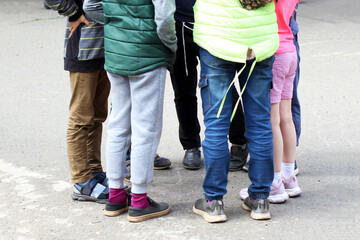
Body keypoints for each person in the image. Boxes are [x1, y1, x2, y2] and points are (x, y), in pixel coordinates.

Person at [84, 0, 177, 222]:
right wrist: (171, 45)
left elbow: (90, 6)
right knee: (146, 128)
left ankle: (115, 195)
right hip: (148, 52)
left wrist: (118, 25)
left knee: (118, 125)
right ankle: (139, 200)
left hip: (117, 51)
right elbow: (164, 17)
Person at [191, 0, 279, 222]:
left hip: (218, 36)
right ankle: (260, 200)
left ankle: (213, 202)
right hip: (260, 39)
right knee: (260, 124)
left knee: (216, 126)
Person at [171, 0, 249, 171]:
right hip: (179, 23)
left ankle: (239, 141)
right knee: (183, 89)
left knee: (223, 87)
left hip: (212, 24)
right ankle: (191, 145)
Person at [45, 0, 110, 203]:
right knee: (80, 119)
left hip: (107, 50)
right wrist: (72, 13)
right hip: (83, 49)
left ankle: (94, 171)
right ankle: (81, 180)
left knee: (97, 116)